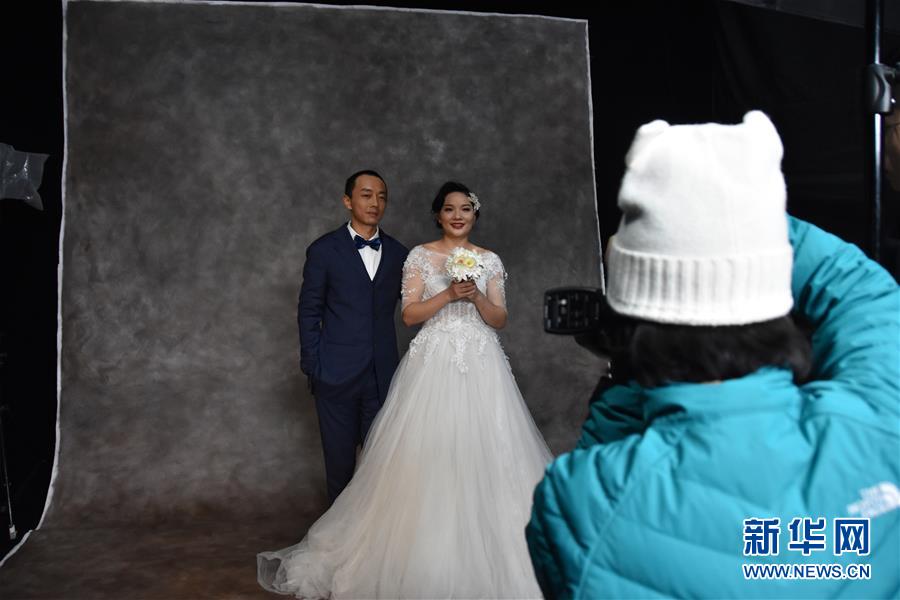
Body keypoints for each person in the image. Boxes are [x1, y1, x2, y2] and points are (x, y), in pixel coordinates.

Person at [526, 112, 900, 598]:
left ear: (638, 323)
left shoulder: (581, 500)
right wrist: (741, 224)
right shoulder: (880, 421)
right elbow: (863, 292)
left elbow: (608, 464)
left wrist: (629, 358)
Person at [258, 181, 551, 599]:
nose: (457, 216)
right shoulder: (417, 255)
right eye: (449, 209)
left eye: (465, 209)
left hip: (482, 363)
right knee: (421, 455)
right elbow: (410, 315)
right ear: (438, 215)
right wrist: (449, 294)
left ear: (475, 214)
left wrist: (475, 298)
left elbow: (499, 317)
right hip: (432, 363)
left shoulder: (490, 259)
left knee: (487, 451)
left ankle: (486, 548)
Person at [297, 169, 409, 503]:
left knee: (381, 468)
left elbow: (414, 307)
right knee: (340, 469)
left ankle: (376, 537)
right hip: (335, 376)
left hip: (382, 377)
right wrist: (314, 366)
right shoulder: (323, 250)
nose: (375, 203)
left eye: (382, 197)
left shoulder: (400, 254)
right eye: (366, 195)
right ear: (348, 201)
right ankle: (336, 536)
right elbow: (309, 311)